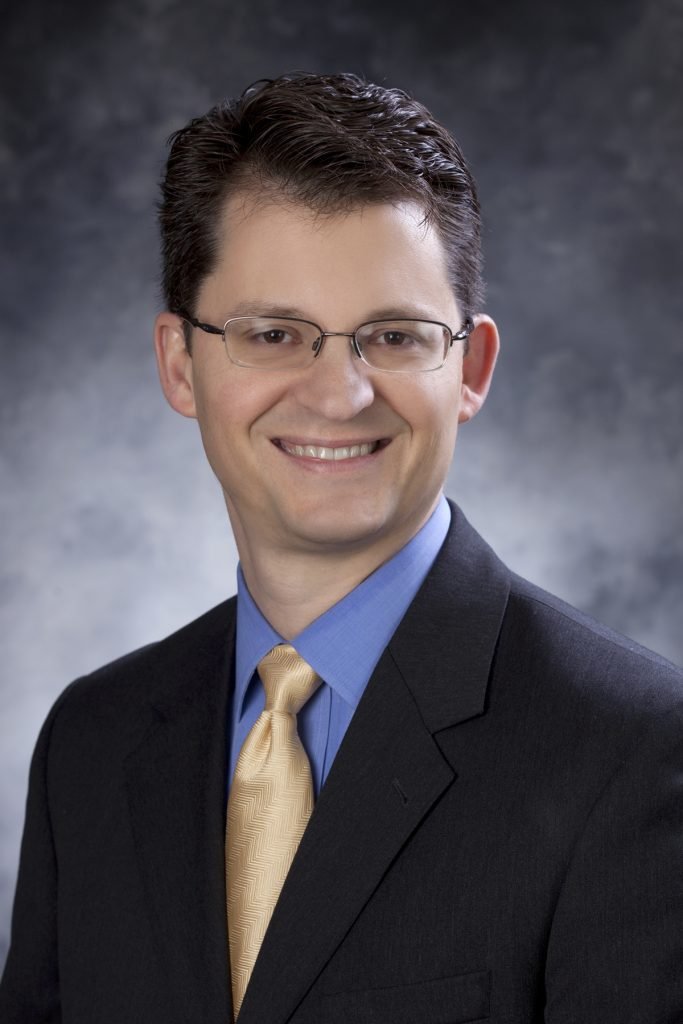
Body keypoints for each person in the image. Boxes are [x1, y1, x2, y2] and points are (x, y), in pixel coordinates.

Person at [1, 72, 681, 1024]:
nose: (338, 395)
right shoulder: (92, 743)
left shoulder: (632, 749)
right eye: (273, 333)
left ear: (470, 367)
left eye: (392, 336)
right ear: (179, 363)